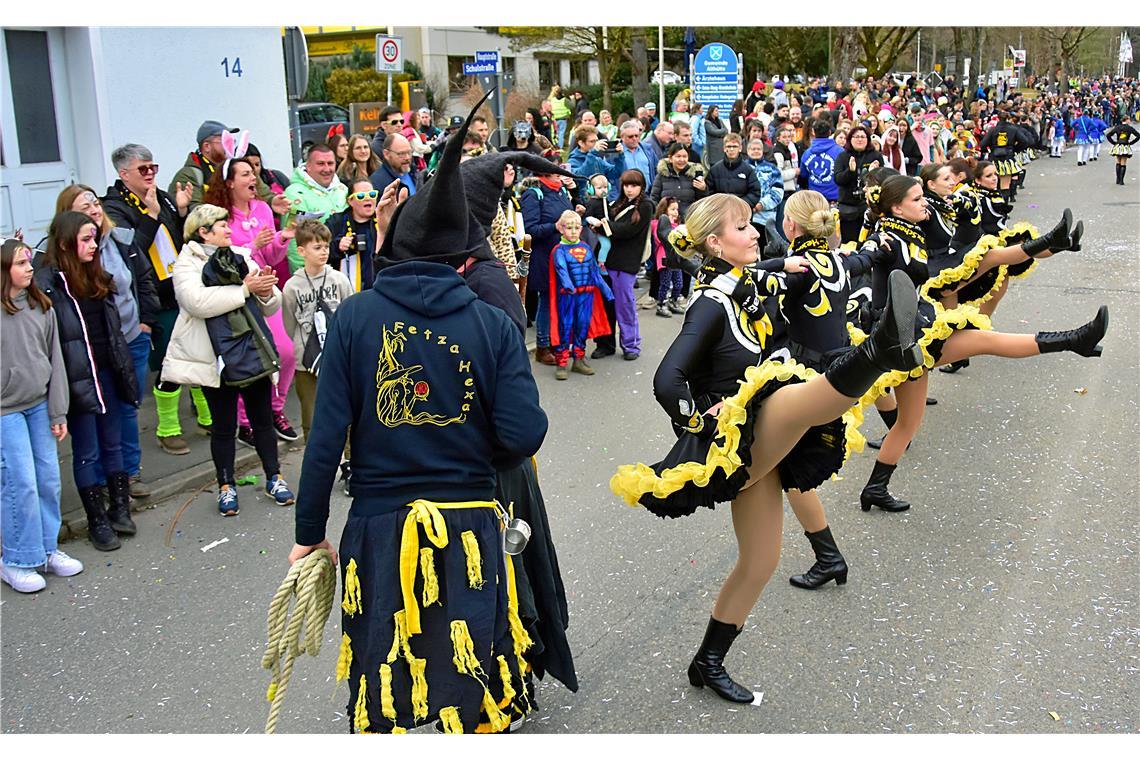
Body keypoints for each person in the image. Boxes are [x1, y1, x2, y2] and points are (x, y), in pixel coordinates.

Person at [288, 97, 549, 733]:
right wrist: (475, 449)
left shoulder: (354, 317)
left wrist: (308, 532)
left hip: (380, 523)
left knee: (388, 654)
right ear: (466, 260)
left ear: (397, 248)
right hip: (468, 520)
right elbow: (524, 432)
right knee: (472, 657)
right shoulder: (491, 322)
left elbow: (325, 439)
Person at [611, 193, 926, 703]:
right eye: (742, 227)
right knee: (796, 401)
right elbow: (668, 380)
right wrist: (702, 417)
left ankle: (706, 663)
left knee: (761, 561)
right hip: (735, 438)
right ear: (716, 242)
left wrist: (784, 261)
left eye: (754, 224)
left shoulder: (748, 282)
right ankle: (880, 349)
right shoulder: (712, 303)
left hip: (758, 436)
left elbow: (765, 271)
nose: (756, 232)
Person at [843, 175, 1109, 513]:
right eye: (915, 199)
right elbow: (859, 261)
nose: (923, 202)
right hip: (898, 337)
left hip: (917, 327)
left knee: (908, 424)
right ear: (895, 207)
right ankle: (1073, 340)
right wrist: (833, 267)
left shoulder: (915, 232)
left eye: (922, 196)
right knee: (984, 340)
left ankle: (874, 489)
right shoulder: (885, 238)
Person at [162, 204, 293, 516]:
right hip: (213, 358)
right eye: (222, 225)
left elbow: (270, 304)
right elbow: (196, 302)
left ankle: (274, 477)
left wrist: (264, 290)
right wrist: (246, 289)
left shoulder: (240, 254)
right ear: (204, 231)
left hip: (250, 350)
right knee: (224, 426)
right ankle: (226, 485)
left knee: (262, 419)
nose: (228, 229)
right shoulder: (185, 264)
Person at [38, 211, 141, 550]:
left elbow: (111, 329)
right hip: (77, 379)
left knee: (112, 442)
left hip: (108, 372)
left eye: (94, 238)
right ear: (66, 242)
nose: (93, 245)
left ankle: (120, 508)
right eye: (85, 239)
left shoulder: (98, 276)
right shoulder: (51, 284)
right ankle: (96, 519)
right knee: (87, 450)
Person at [102, 144, 209, 457]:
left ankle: (206, 416)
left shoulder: (161, 195)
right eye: (143, 169)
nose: (150, 174)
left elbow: (178, 239)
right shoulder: (114, 206)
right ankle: (167, 428)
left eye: (153, 168)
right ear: (124, 174)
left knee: (198, 350)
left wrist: (182, 211)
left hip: (182, 288)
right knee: (167, 362)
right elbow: (129, 250)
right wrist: (150, 216)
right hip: (154, 297)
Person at [58, 185, 158, 499]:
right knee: (100, 414)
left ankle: (130, 474)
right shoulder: (62, 256)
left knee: (128, 408)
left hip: (132, 338)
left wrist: (146, 323)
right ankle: (101, 481)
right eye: (83, 205)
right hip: (94, 350)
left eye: (95, 202)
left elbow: (144, 280)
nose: (93, 209)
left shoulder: (121, 241)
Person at [204, 142, 300, 445]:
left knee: (286, 352)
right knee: (248, 361)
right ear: (230, 182)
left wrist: (282, 238)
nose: (253, 179)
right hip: (238, 295)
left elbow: (270, 257)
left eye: (253, 172)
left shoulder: (261, 208)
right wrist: (253, 246)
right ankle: (245, 422)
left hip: (265, 291)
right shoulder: (221, 216)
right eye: (245, 173)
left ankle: (275, 409)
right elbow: (221, 259)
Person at [1, 239, 83, 592]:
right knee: (21, 481)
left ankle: (47, 549)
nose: (30, 268)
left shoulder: (41, 306)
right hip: (6, 410)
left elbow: (55, 361)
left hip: (39, 405)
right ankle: (16, 558)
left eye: (29, 262)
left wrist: (58, 409)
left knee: (48, 478)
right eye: (21, 263)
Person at [280, 219, 353, 442]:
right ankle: (315, 461)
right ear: (301, 250)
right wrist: (301, 347)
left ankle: (350, 461)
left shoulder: (338, 279)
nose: (323, 252)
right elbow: (289, 322)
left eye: (326, 247)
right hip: (306, 360)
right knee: (311, 414)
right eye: (317, 247)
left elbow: (349, 313)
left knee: (345, 408)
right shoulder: (293, 286)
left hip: (338, 356)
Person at [548, 210, 613, 380]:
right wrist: (569, 285)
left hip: (587, 295)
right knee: (565, 326)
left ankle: (579, 358)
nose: (573, 231)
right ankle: (561, 362)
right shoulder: (559, 250)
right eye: (569, 228)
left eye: (577, 227)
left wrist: (606, 290)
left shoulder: (585, 248)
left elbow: (594, 272)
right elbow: (562, 270)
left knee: (582, 325)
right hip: (568, 296)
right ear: (561, 229)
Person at [520, 169, 575, 365]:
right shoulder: (534, 194)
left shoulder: (561, 192)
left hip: (563, 256)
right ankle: (542, 347)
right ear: (545, 173)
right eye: (557, 172)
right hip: (544, 258)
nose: (562, 175)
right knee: (547, 301)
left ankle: (556, 341)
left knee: (560, 302)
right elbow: (529, 230)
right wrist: (555, 226)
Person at [601, 170, 653, 352]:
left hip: (628, 262)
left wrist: (603, 227)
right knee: (607, 306)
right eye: (627, 185)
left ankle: (631, 345)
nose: (630, 189)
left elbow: (627, 230)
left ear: (641, 186)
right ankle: (606, 346)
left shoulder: (646, 205)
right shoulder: (618, 202)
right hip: (608, 261)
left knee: (625, 306)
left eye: (634, 185)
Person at [284, 143, 349, 273]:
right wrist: (304, 277)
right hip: (314, 275)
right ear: (308, 166)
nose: (327, 169)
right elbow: (294, 242)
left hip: (346, 269)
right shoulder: (295, 194)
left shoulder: (343, 189)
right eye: (320, 163)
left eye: (330, 163)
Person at [326, 179, 384, 294]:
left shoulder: (384, 220)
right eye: (361, 196)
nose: (368, 198)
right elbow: (317, 250)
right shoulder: (336, 222)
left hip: (379, 288)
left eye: (372, 194)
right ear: (350, 201)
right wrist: (338, 246)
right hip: (345, 292)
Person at [169, 120, 237, 212]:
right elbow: (195, 212)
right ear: (206, 146)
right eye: (225, 141)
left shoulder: (230, 170)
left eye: (231, 141)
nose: (230, 146)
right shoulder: (189, 175)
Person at [835, 125, 884, 243]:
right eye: (856, 137)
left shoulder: (875, 156)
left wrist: (873, 173)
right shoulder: (843, 156)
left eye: (863, 137)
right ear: (850, 139)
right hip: (848, 207)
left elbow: (883, 180)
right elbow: (838, 179)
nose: (859, 139)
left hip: (869, 207)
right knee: (849, 242)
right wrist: (850, 171)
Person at [706, 134, 762, 217]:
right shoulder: (715, 169)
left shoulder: (748, 169)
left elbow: (755, 192)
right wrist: (720, 206)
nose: (731, 149)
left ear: (740, 148)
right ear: (724, 148)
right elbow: (709, 192)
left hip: (742, 213)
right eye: (729, 146)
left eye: (734, 146)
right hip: (720, 214)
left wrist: (740, 205)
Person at [744, 139, 785, 250]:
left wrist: (762, 204)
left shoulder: (772, 169)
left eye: (758, 149)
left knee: (767, 249)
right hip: (746, 216)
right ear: (748, 151)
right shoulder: (742, 167)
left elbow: (778, 190)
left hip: (766, 217)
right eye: (753, 149)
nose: (756, 151)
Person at [606, 120, 657, 199]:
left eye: (637, 136)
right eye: (630, 136)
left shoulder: (648, 149)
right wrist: (615, 198)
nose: (634, 139)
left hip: (647, 196)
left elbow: (656, 170)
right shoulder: (614, 154)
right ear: (622, 137)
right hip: (624, 197)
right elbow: (610, 178)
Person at [652, 196, 685, 317]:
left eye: (677, 209)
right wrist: (669, 224)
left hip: (676, 258)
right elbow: (660, 238)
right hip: (664, 258)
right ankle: (661, 304)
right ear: (664, 210)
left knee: (678, 283)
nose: (676, 212)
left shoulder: (678, 225)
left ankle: (674, 301)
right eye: (672, 209)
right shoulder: (657, 224)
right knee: (665, 283)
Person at [800, 120, 844, 203]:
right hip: (835, 198)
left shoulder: (807, 153)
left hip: (814, 199)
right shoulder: (840, 151)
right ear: (830, 132)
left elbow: (803, 174)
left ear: (813, 132)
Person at [1105, 116, 1139, 185]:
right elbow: (1138, 136)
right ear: (1126, 120)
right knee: (1123, 162)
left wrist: (1114, 143)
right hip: (1125, 145)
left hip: (1118, 146)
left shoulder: (1117, 127)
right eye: (1129, 120)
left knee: (1118, 161)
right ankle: (1121, 180)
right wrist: (1131, 143)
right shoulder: (1129, 128)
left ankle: (1117, 179)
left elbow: (1108, 135)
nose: (1129, 121)